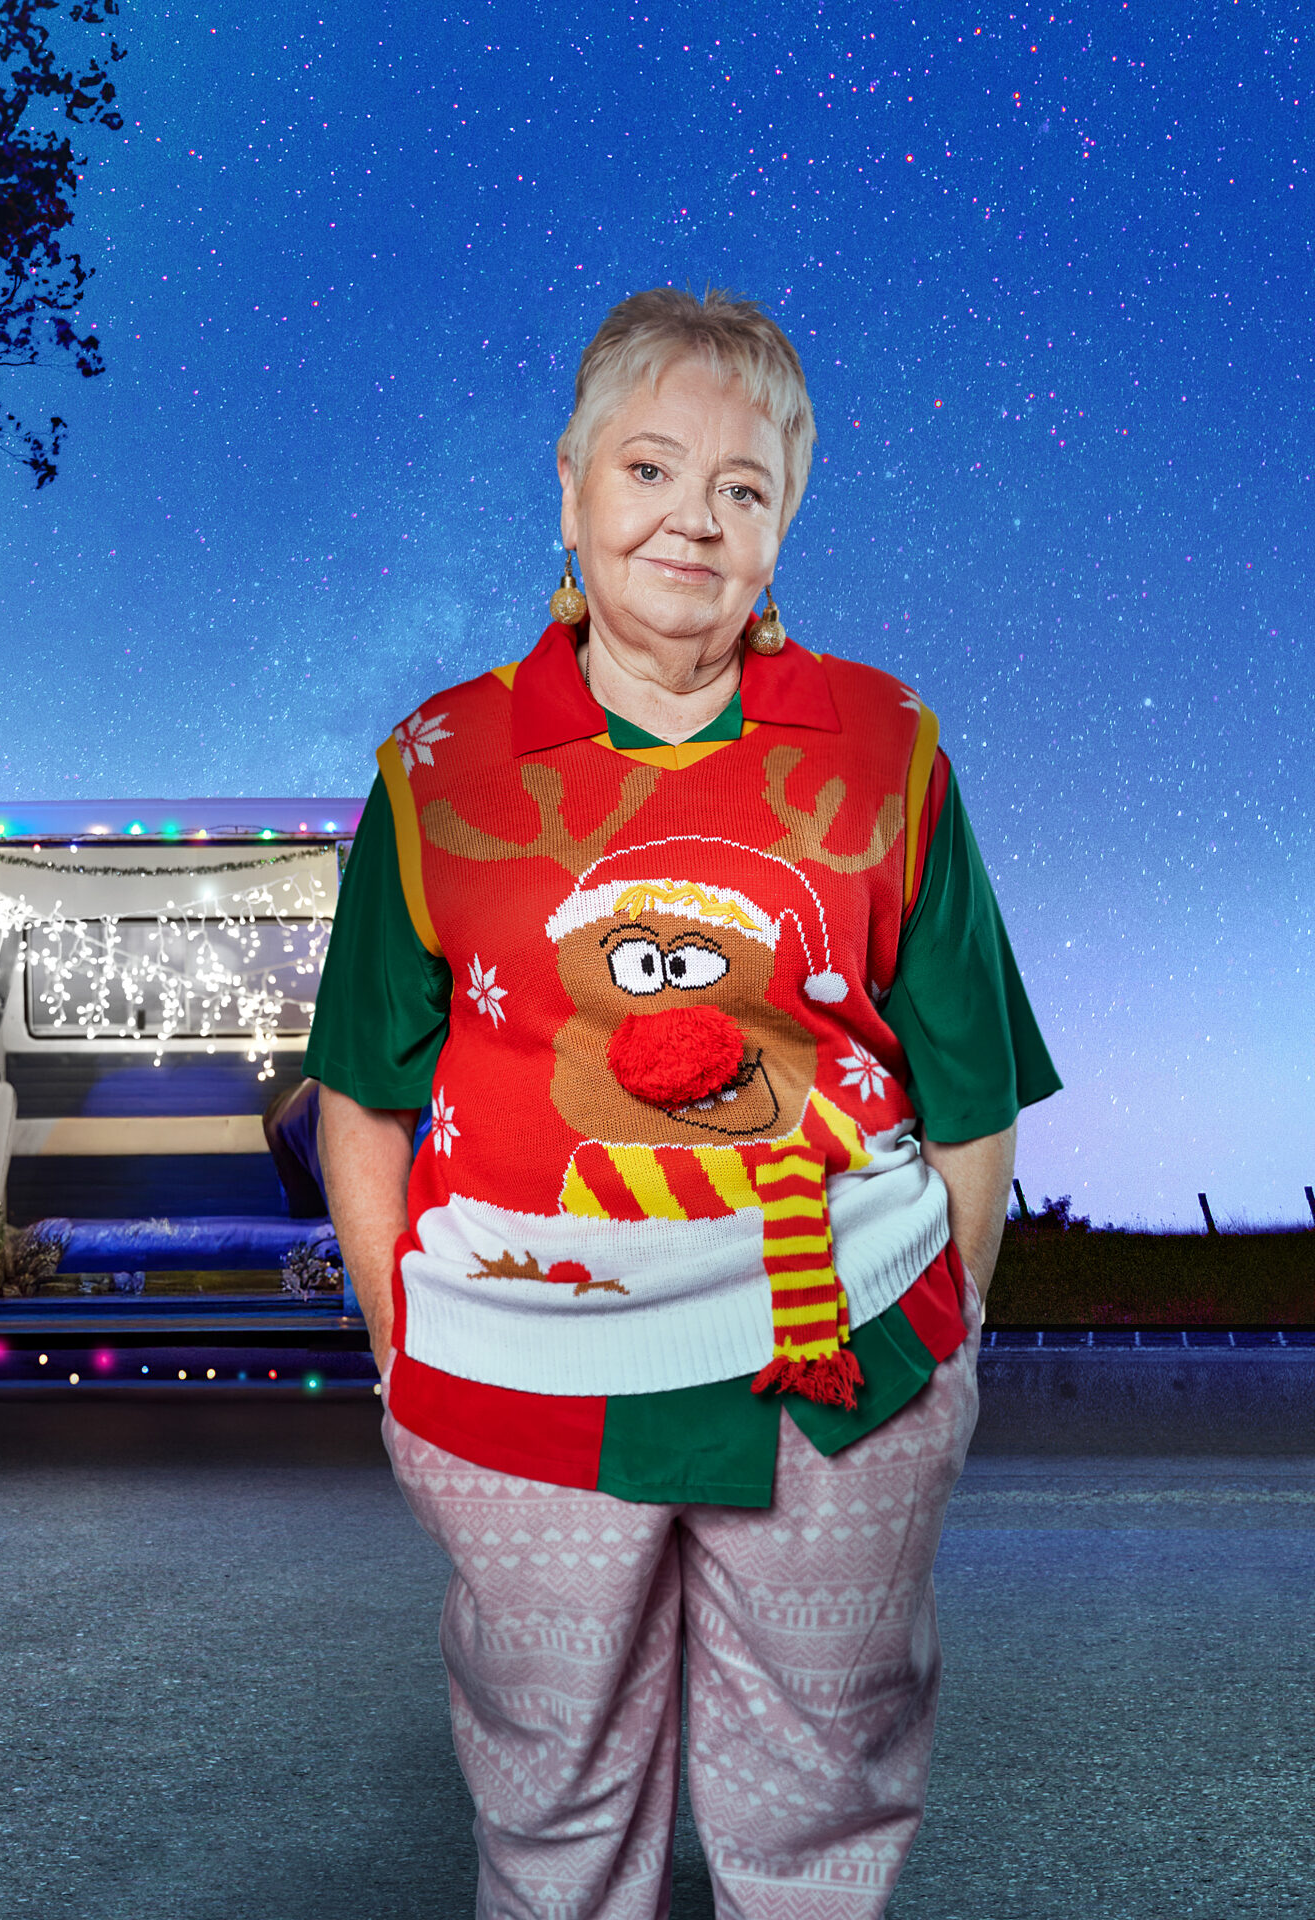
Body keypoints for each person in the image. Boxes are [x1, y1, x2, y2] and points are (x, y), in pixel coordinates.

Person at [303, 287, 1060, 1920]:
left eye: (743, 489)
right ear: (569, 484)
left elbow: (973, 1085)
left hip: (842, 1360)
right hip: (523, 1370)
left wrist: (957, 1316)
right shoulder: (436, 768)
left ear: (787, 519)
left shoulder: (889, 747)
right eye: (650, 470)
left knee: (823, 1785)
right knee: (553, 1795)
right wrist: (397, 1338)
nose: (693, 523)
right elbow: (362, 1091)